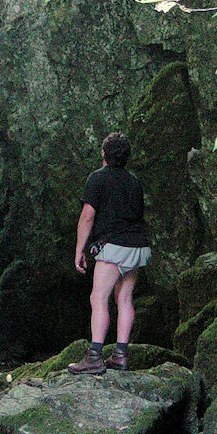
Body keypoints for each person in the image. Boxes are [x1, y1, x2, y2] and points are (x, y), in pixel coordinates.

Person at [68, 131, 151, 375]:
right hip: (138, 246)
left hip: (113, 247)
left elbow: (87, 216)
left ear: (104, 154)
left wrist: (79, 250)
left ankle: (95, 357)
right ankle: (121, 356)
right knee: (124, 298)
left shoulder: (97, 179)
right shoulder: (134, 182)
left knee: (98, 298)